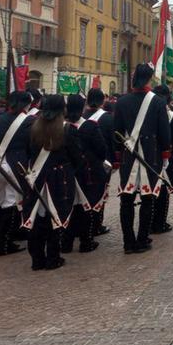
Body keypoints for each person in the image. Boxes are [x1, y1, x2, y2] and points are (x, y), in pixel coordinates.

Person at [113, 63, 171, 254]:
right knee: (147, 198)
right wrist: (165, 154)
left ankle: (128, 242)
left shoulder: (122, 101)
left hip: (129, 156)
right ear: (149, 78)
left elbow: (116, 132)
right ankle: (142, 238)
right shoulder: (158, 102)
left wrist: (118, 155)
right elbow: (164, 133)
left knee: (127, 200)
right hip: (151, 154)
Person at [22, 95, 79, 270]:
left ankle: (37, 259)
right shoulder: (68, 130)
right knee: (55, 218)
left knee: (37, 219)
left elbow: (27, 153)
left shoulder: (31, 127)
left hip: (37, 178)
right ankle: (53, 257)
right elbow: (76, 157)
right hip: (59, 179)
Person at [0, 90, 33, 257]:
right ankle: (4, 244)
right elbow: (32, 147)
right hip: (15, 167)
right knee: (11, 204)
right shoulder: (29, 121)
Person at [61, 94, 109, 254]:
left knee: (69, 207)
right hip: (87, 172)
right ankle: (86, 241)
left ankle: (66, 243)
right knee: (86, 207)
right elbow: (102, 150)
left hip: (66, 172)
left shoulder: (61, 127)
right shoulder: (90, 126)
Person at [152, 84, 173, 234]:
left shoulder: (146, 116)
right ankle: (160, 222)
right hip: (169, 156)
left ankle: (150, 221)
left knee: (151, 189)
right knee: (164, 190)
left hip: (150, 155)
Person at [83, 88, 114, 236]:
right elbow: (113, 142)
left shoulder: (80, 115)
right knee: (100, 194)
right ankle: (96, 225)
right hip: (102, 162)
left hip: (81, 162)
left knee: (82, 194)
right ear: (102, 101)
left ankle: (82, 226)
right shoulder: (107, 118)